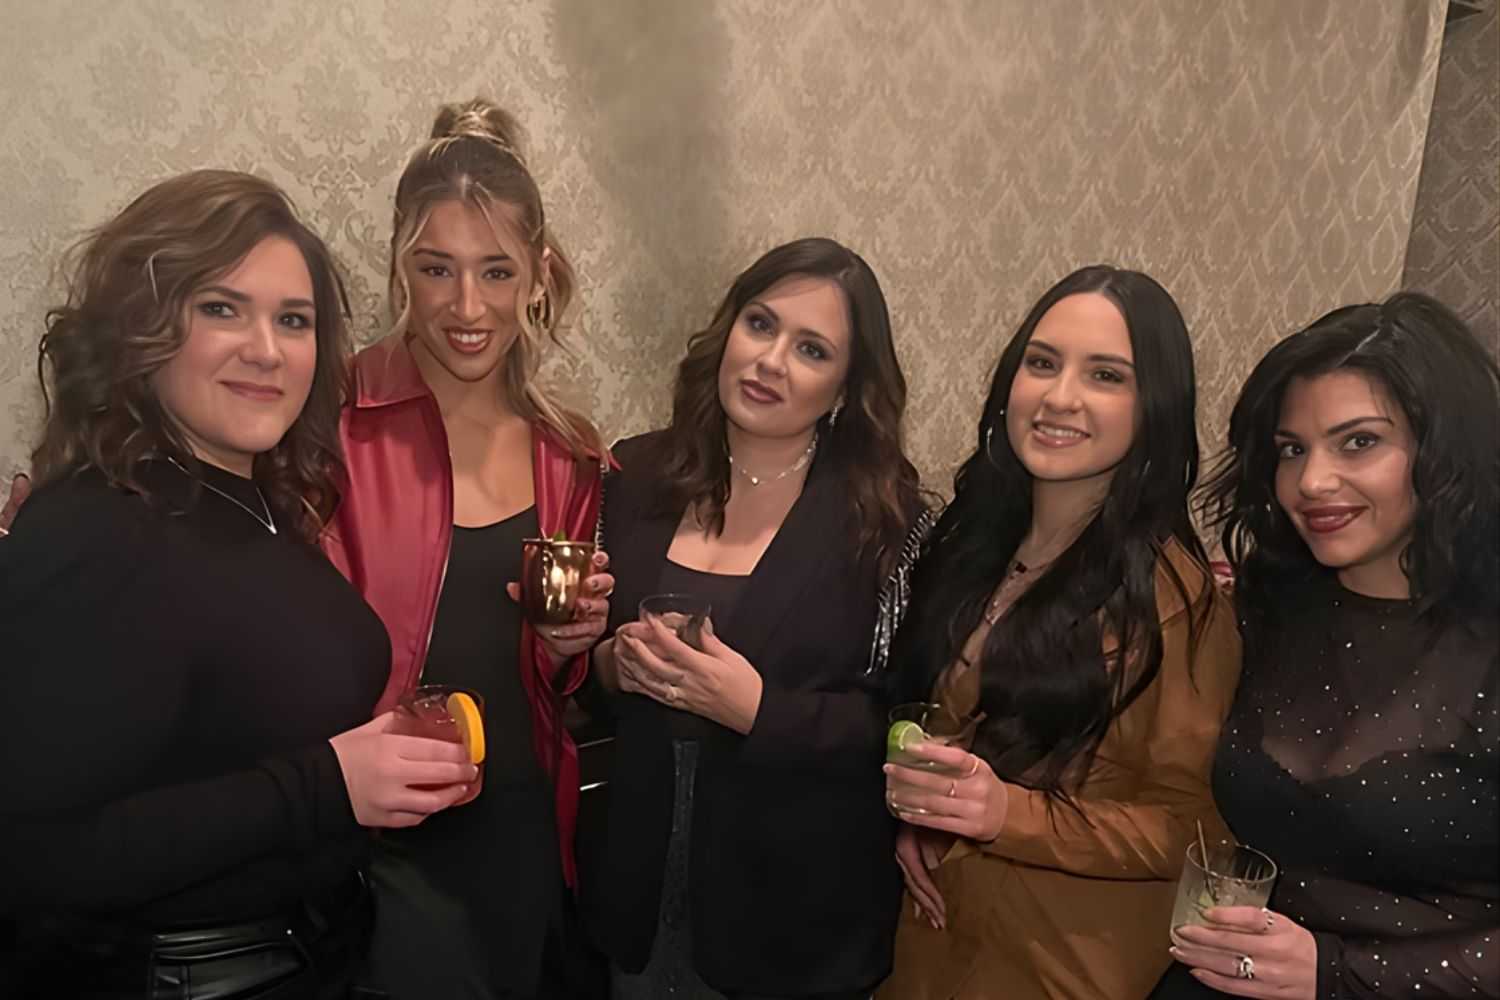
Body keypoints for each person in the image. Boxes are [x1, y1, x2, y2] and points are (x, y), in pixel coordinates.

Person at [0, 170, 474, 998]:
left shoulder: (254, 503)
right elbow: (32, 855)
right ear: (143, 328)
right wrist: (327, 786)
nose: (266, 350)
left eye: (293, 320)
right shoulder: (96, 528)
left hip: (320, 951)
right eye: (222, 308)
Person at [880, 265, 1243, 999]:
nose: (1059, 397)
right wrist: (934, 818)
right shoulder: (976, 542)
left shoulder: (1176, 597)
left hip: (1061, 960)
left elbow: (1197, 830)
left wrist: (1004, 814)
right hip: (936, 931)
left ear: (1154, 407)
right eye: (1042, 363)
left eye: (1105, 375)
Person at [585, 237, 930, 999]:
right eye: (761, 324)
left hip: (795, 912)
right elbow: (577, 670)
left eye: (812, 349)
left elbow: (909, 723)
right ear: (728, 330)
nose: (771, 361)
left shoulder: (885, 521)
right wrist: (608, 664)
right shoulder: (632, 476)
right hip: (636, 879)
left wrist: (758, 710)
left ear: (845, 387)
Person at [322, 99, 613, 999]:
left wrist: (569, 647)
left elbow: (548, 676)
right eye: (436, 268)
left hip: (523, 828)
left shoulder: (569, 450)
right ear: (399, 267)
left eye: (496, 270)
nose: (468, 306)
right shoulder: (330, 421)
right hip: (376, 841)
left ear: (537, 272)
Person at [1156, 293, 1499, 999]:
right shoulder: (1265, 609)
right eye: (1292, 449)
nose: (1311, 481)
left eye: (1359, 442)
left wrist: (1337, 973)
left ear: (1446, 450)